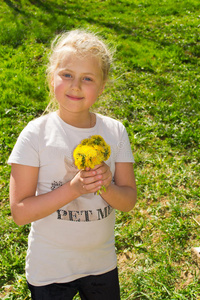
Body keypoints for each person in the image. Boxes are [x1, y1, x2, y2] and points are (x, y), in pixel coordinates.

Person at [8, 29, 137, 300]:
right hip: (50, 269)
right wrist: (74, 188)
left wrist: (107, 186)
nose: (75, 85)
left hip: (101, 264)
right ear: (52, 76)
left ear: (102, 86)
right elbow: (20, 212)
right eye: (67, 74)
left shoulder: (115, 132)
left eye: (87, 78)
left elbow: (128, 201)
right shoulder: (36, 134)